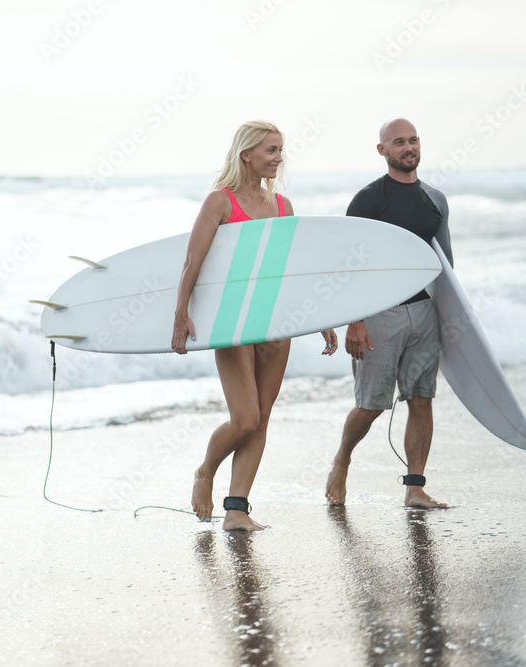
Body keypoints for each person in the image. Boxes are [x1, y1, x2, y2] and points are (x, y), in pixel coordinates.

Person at [172, 120, 338, 531]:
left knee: (262, 418)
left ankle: (236, 510)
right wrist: (181, 311)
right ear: (247, 154)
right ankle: (205, 471)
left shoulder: (283, 206)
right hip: (232, 323)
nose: (278, 158)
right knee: (244, 419)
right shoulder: (220, 202)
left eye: (280, 150)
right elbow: (193, 261)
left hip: (275, 321)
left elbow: (293, 270)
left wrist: (323, 318)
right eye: (270, 150)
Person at [325, 118, 453, 510]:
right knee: (371, 405)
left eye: (413, 140)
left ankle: (415, 487)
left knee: (421, 398)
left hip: (423, 311)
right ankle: (342, 460)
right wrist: (355, 319)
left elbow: (445, 264)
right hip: (379, 314)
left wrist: (451, 319)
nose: (408, 147)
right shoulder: (368, 200)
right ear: (382, 150)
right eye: (398, 142)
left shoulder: (435, 199)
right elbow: (348, 265)